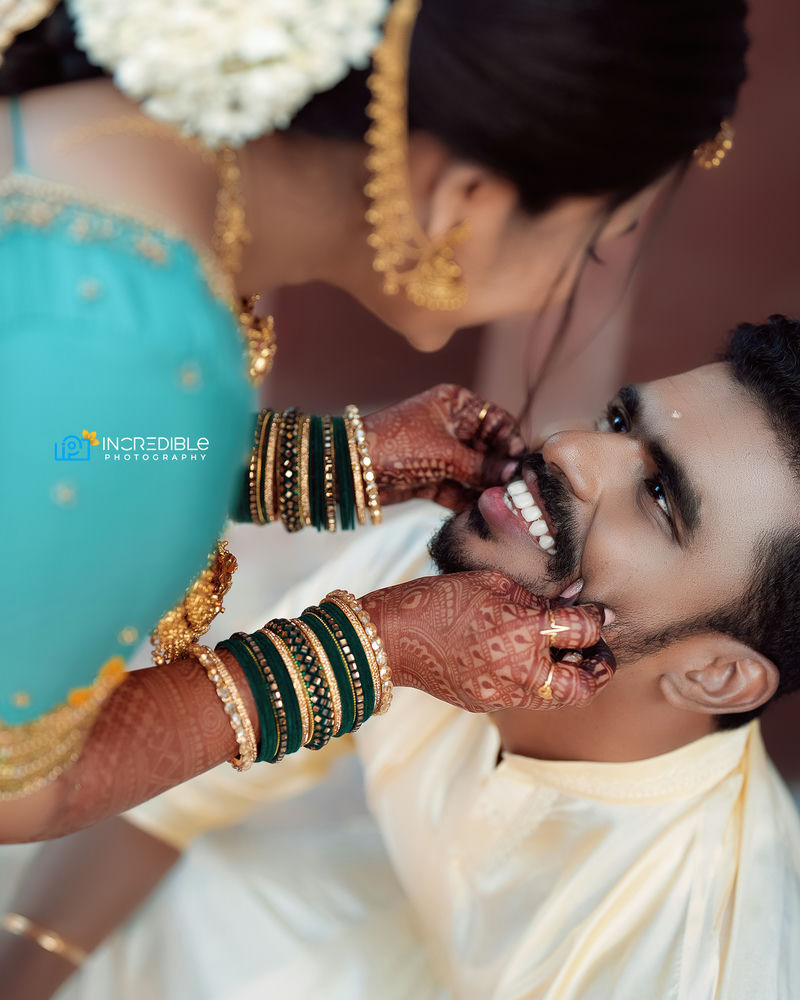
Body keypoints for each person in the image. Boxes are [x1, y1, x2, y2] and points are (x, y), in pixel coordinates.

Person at [0, 0, 748, 836]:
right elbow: (15, 786)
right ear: (466, 199)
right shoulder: (133, 343)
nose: (573, 449)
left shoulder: (84, 137)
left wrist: (304, 462)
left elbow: (53, 444)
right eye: (593, 244)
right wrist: (367, 650)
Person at [4, 316, 799, 1000]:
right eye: (619, 421)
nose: (567, 449)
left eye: (659, 497)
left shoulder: (699, 958)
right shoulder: (438, 591)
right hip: (332, 927)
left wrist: (362, 637)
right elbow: (159, 795)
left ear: (717, 676)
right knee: (210, 903)